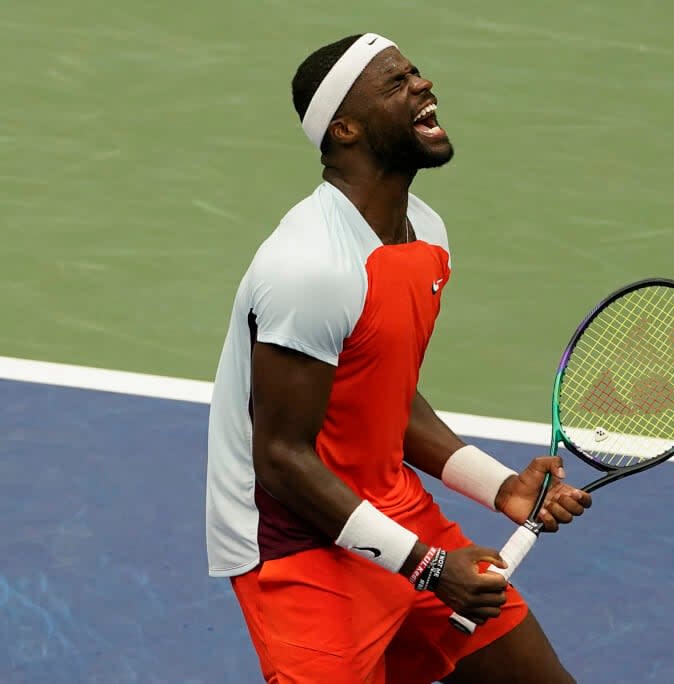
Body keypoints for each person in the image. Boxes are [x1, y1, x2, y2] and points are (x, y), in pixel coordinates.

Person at [205, 32, 591, 684]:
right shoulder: (311, 267)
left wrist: (498, 486)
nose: (423, 83)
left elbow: (384, 397)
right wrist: (429, 567)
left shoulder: (427, 235)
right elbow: (281, 460)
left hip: (392, 513)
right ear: (346, 128)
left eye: (414, 70)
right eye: (395, 81)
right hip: (299, 548)